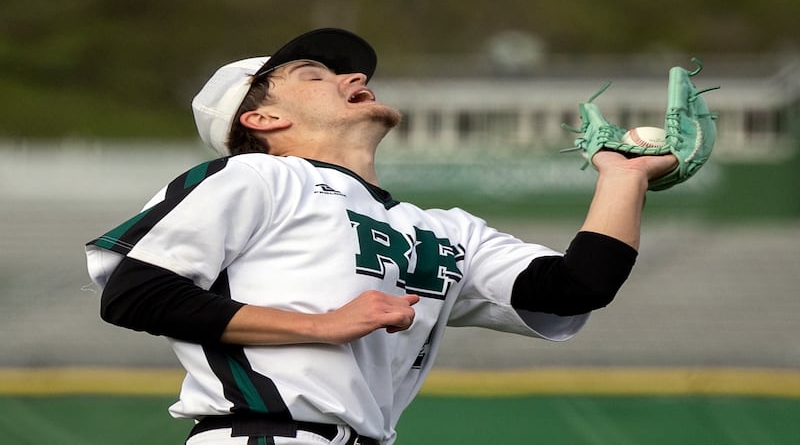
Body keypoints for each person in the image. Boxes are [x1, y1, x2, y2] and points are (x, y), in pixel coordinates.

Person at [85, 28, 678, 445]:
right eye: (315, 74)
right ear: (261, 119)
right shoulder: (257, 177)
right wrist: (319, 325)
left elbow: (574, 287)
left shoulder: (443, 228)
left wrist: (623, 178)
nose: (354, 76)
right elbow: (136, 293)